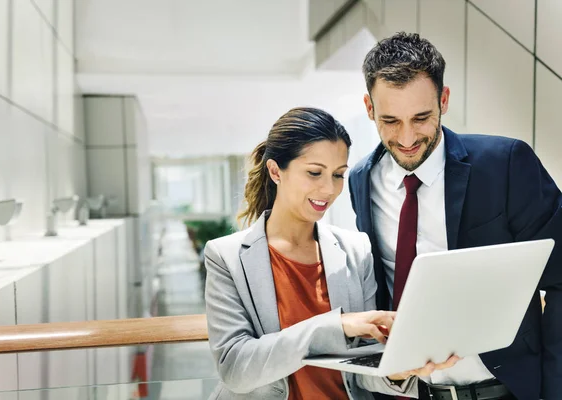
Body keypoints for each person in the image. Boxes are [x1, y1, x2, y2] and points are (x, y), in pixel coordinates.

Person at [348, 32, 562, 400]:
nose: (407, 137)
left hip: (507, 390)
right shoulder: (361, 180)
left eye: (421, 117)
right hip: (414, 393)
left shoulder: (505, 164)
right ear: (369, 108)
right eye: (390, 120)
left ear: (443, 100)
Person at [204, 107, 458, 400]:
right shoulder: (226, 257)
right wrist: (335, 326)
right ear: (276, 171)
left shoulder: (355, 250)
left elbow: (360, 372)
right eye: (314, 173)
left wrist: (394, 372)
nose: (328, 189)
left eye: (338, 175)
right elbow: (235, 368)